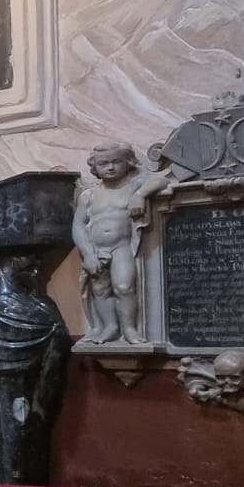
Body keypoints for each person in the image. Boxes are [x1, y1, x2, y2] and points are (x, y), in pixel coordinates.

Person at [73, 142, 171, 344]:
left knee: (124, 287)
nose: (110, 167)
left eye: (116, 161)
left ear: (127, 162)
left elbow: (161, 181)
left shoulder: (133, 185)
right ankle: (110, 326)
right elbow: (78, 227)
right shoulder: (88, 195)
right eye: (104, 163)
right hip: (96, 248)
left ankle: (129, 329)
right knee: (100, 289)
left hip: (121, 246)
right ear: (95, 167)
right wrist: (88, 254)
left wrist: (140, 195)